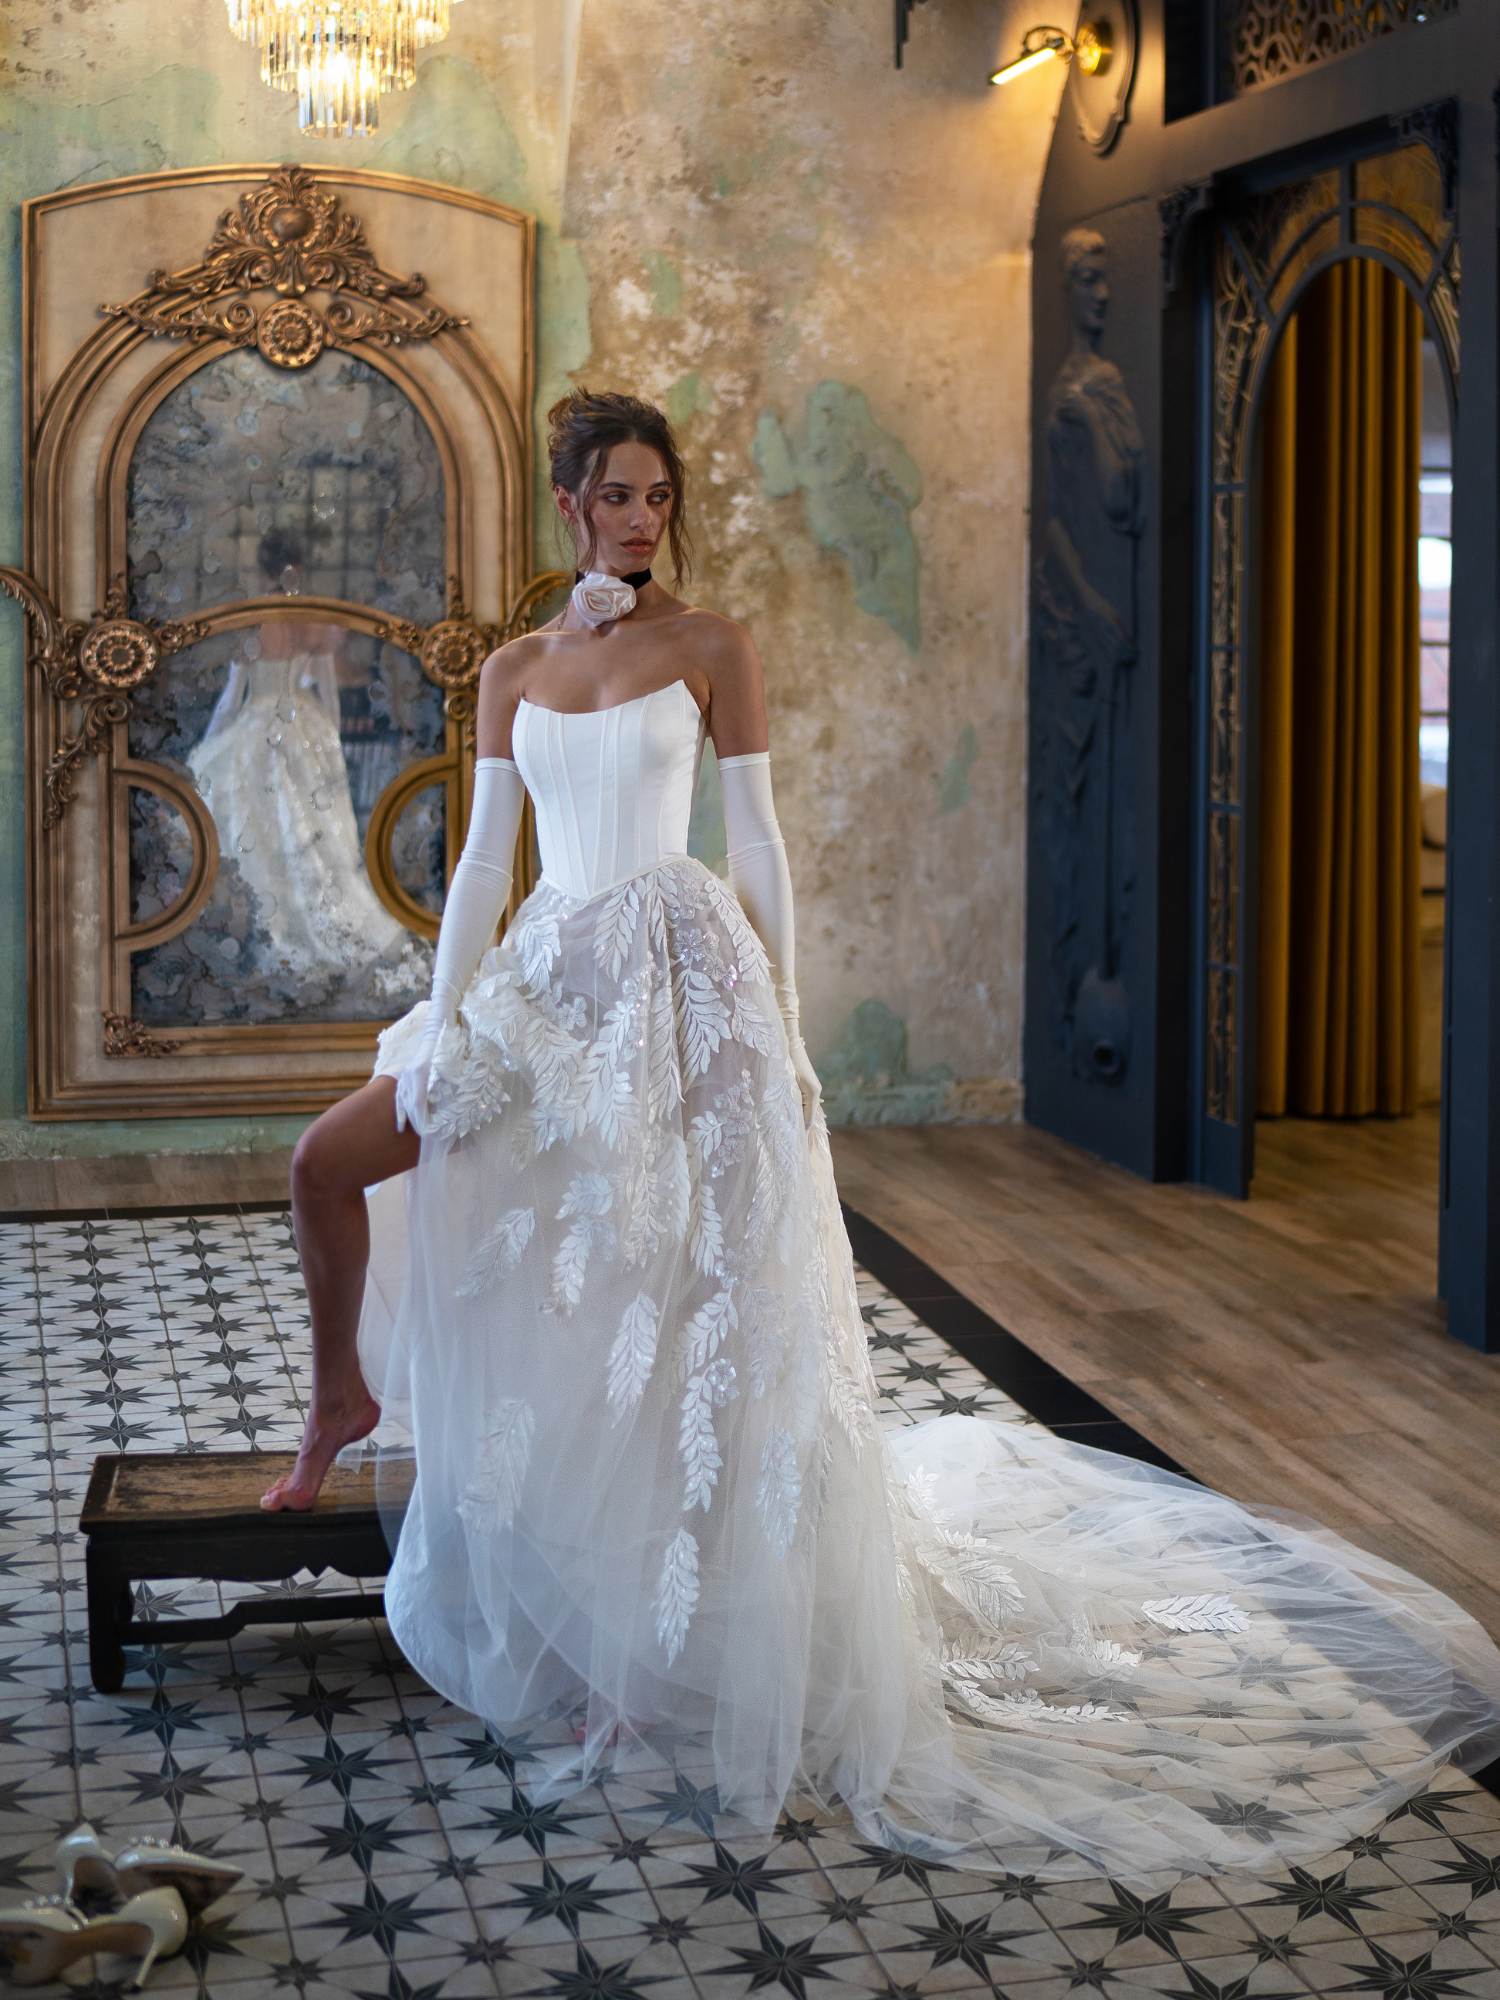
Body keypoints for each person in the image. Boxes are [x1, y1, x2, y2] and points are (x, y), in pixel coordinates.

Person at [259, 387, 1500, 1886]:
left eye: (662, 497)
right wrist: (450, 1020)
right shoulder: (514, 669)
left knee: (677, 1309)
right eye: (620, 497)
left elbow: (760, 841)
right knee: (327, 1161)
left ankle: (648, 1639)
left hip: (684, 978)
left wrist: (778, 1027)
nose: (645, 521)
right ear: (571, 506)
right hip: (544, 984)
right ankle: (343, 1402)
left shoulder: (712, 647)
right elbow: (478, 867)